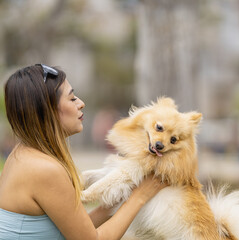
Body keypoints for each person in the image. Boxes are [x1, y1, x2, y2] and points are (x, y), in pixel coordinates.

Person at [0, 64, 167, 239]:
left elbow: (75, 229)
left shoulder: (22, 154)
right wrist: (141, 196)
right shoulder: (44, 169)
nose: (81, 103)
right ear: (47, 111)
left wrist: (123, 196)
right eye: (72, 99)